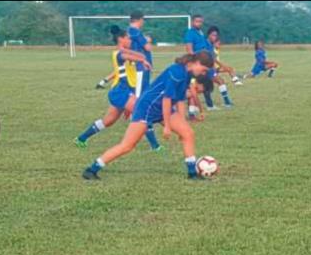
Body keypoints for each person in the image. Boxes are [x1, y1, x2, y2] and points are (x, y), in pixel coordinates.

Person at [81, 52, 215, 181]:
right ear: (196, 62)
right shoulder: (177, 72)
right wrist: (167, 126)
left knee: (187, 133)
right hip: (147, 107)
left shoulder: (187, 74)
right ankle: (92, 169)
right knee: (127, 145)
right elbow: (167, 100)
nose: (203, 74)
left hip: (161, 108)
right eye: (203, 70)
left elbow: (179, 100)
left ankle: (192, 173)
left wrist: (182, 123)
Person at [75, 26, 162, 151]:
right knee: (143, 112)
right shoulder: (118, 53)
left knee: (108, 121)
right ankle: (156, 147)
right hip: (120, 92)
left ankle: (81, 139)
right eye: (127, 38)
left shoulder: (128, 51)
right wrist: (143, 60)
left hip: (125, 92)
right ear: (121, 39)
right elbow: (128, 57)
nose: (130, 40)